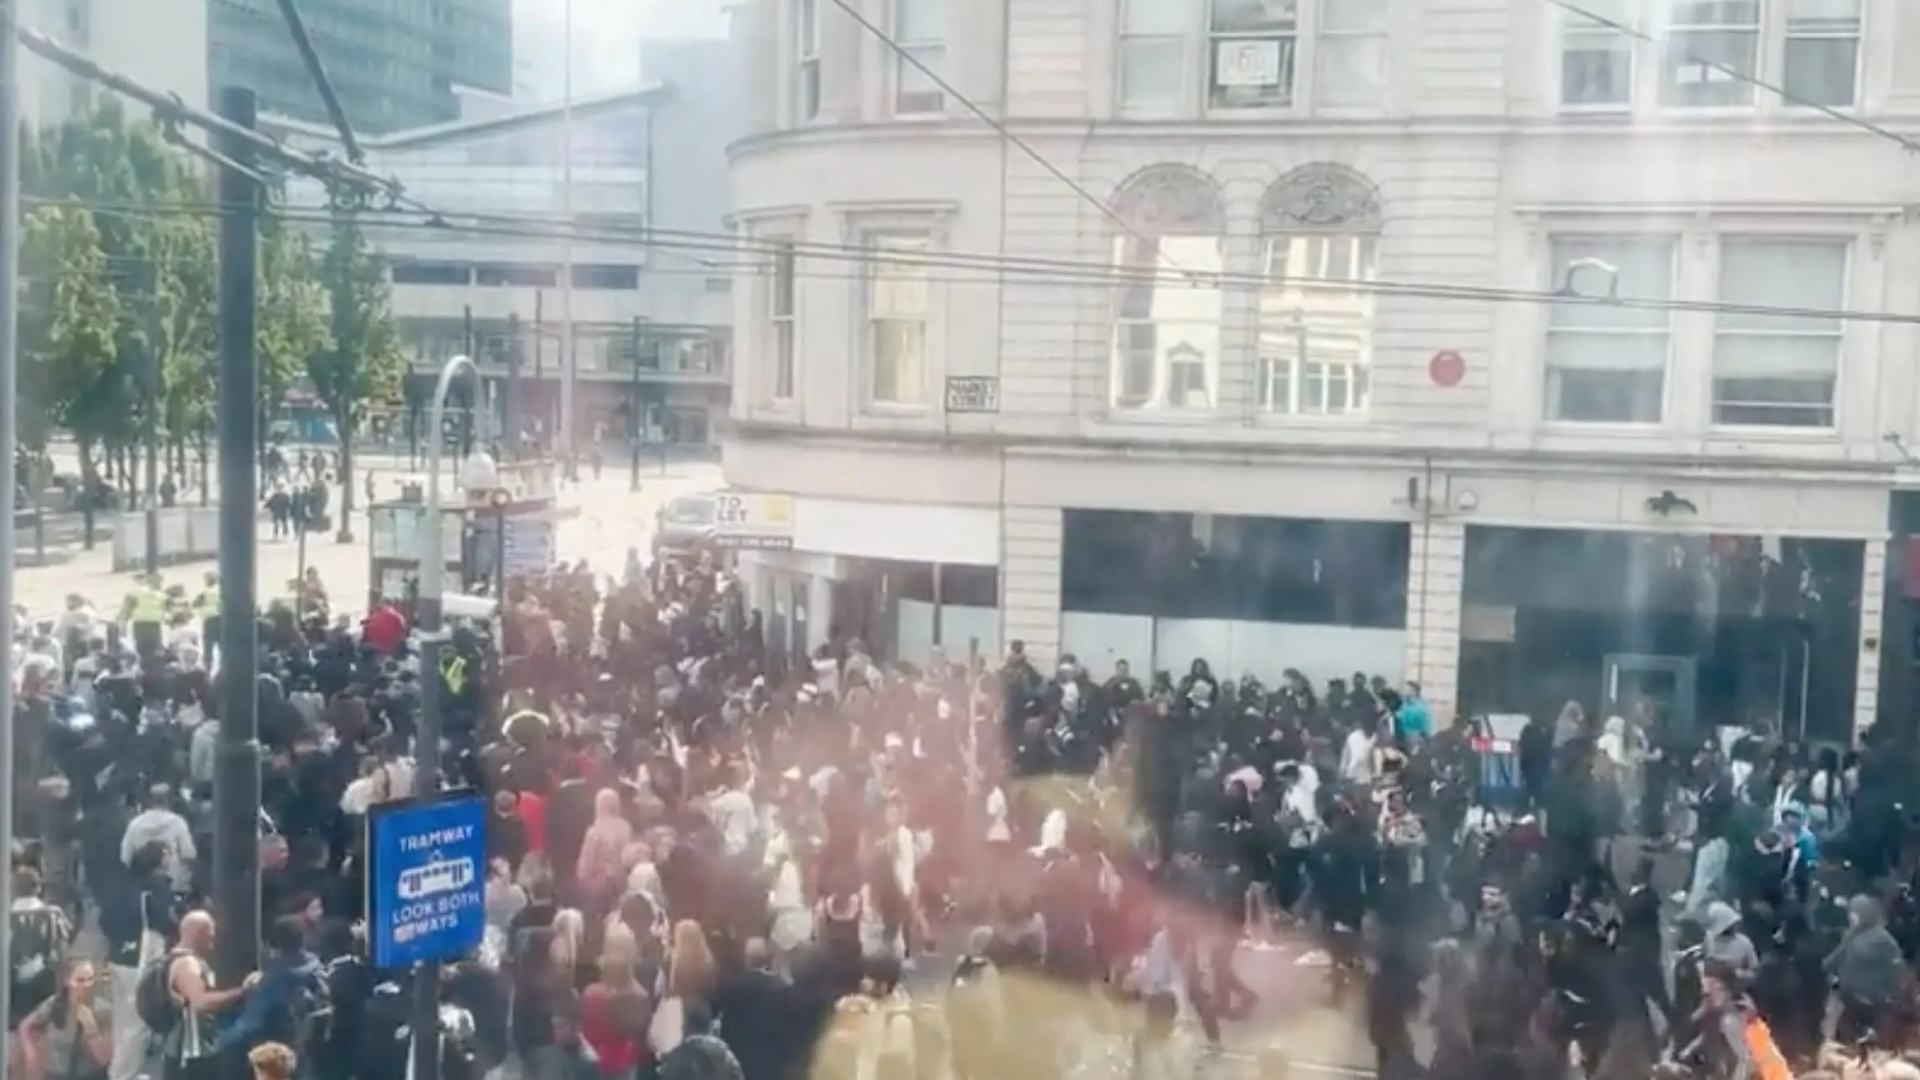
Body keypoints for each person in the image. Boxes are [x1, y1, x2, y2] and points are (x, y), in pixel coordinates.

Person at [162, 911, 257, 1080]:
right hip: (191, 1054)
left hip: (199, 1050)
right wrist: (242, 992)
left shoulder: (187, 960)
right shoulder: (186, 964)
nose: (213, 942)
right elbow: (200, 1003)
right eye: (210, 936)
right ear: (199, 934)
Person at [1826, 894, 1904, 1044]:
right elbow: (1835, 958)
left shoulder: (1883, 939)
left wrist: (1888, 995)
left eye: (1855, 914)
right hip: (1850, 999)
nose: (1851, 918)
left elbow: (1896, 969)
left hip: (1872, 1002)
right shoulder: (1851, 935)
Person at [15, 959, 111, 1080]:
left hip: (89, 1075)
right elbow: (25, 1026)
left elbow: (105, 1059)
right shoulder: (55, 1004)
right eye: (80, 980)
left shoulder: (103, 1009)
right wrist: (31, 1053)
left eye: (90, 979)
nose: (87, 985)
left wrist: (91, 1028)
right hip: (56, 1074)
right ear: (68, 981)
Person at [120, 785, 196, 897]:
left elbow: (125, 858)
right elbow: (189, 854)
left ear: (150, 800)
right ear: (169, 800)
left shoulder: (135, 824)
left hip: (142, 888)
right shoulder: (178, 822)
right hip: (174, 888)